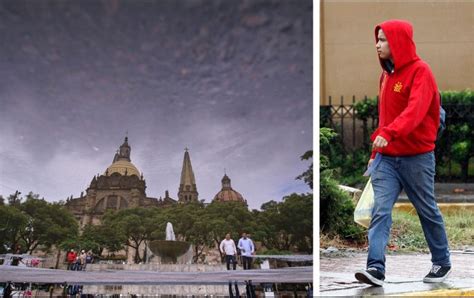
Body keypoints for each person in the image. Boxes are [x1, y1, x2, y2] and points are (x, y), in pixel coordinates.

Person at [355, 19, 451, 287]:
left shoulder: (421, 72)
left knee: (426, 210)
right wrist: (376, 153)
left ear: (398, 42)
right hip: (387, 160)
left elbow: (416, 112)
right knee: (380, 211)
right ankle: (375, 268)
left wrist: (390, 133)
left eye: (383, 39)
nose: (377, 44)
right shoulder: (386, 75)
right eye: (377, 39)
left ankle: (441, 261)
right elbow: (386, 117)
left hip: (416, 158)